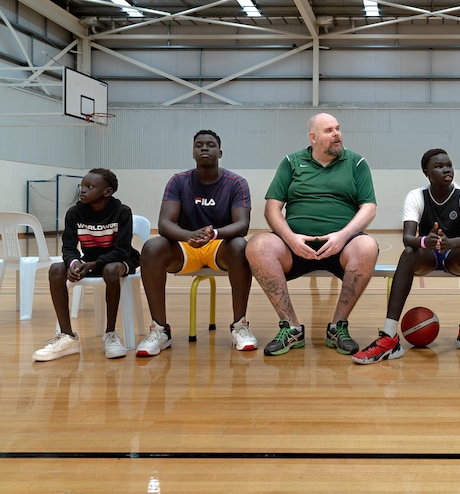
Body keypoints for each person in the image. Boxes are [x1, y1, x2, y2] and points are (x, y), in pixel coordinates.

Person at [246, 113, 378, 357]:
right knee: (257, 245)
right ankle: (291, 326)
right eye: (329, 130)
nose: (337, 134)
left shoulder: (356, 163)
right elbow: (272, 208)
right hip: (296, 246)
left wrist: (342, 235)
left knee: (368, 246)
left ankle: (338, 326)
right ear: (313, 137)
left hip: (342, 247)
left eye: (338, 128)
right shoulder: (292, 162)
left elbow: (369, 207)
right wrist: (290, 239)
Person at [352, 149, 460, 364]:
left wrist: (450, 243)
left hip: (455, 254)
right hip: (428, 254)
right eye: (438, 166)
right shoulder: (416, 196)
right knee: (409, 253)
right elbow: (408, 238)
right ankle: (389, 337)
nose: (446, 169)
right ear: (426, 172)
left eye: (448, 164)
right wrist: (425, 242)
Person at [136, 130, 256, 357]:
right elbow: (164, 224)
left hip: (219, 245)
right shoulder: (179, 181)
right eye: (199, 145)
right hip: (185, 244)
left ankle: (240, 325)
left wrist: (214, 234)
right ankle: (160, 330)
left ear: (220, 152)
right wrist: (188, 235)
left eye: (210, 145)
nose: (204, 148)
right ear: (192, 152)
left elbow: (242, 224)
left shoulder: (236, 183)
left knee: (241, 246)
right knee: (152, 247)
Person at [33, 168, 141, 361]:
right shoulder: (74, 213)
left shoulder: (122, 212)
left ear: (107, 192)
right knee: (57, 269)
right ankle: (67, 336)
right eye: (82, 186)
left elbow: (122, 250)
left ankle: (110, 334)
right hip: (89, 260)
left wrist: (93, 264)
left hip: (120, 260)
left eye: (89, 187)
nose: (82, 190)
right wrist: (75, 264)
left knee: (110, 269)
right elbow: (68, 247)